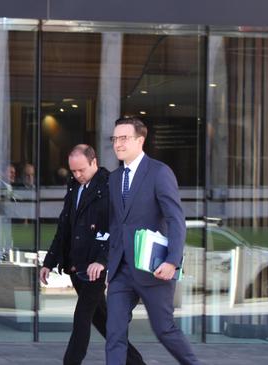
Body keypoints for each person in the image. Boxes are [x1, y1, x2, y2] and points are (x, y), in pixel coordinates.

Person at [106, 117, 200, 365]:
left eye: (123, 138)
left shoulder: (159, 172)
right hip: (121, 272)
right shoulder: (115, 179)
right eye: (115, 138)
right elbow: (117, 224)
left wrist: (172, 261)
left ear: (140, 140)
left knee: (164, 330)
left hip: (153, 269)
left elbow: (175, 219)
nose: (118, 143)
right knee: (113, 333)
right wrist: (108, 262)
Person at [40, 144, 145, 365]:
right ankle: (135, 362)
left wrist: (102, 261)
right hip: (76, 267)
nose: (77, 175)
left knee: (81, 319)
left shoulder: (110, 188)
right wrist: (49, 261)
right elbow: (64, 228)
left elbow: (119, 229)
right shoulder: (73, 188)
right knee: (104, 322)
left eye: (81, 170)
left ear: (94, 162)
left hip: (95, 270)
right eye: (73, 171)